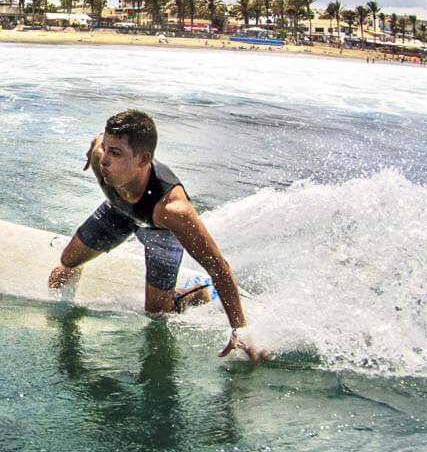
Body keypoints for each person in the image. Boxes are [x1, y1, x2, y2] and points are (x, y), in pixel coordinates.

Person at [48, 110, 267, 362]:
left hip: (159, 230)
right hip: (120, 210)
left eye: (116, 153)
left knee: (156, 313)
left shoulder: (174, 210)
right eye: (106, 149)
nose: (105, 160)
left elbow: (218, 267)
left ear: (143, 160)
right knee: (66, 262)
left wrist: (240, 329)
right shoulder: (102, 157)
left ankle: (197, 294)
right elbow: (97, 141)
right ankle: (74, 261)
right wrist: (93, 151)